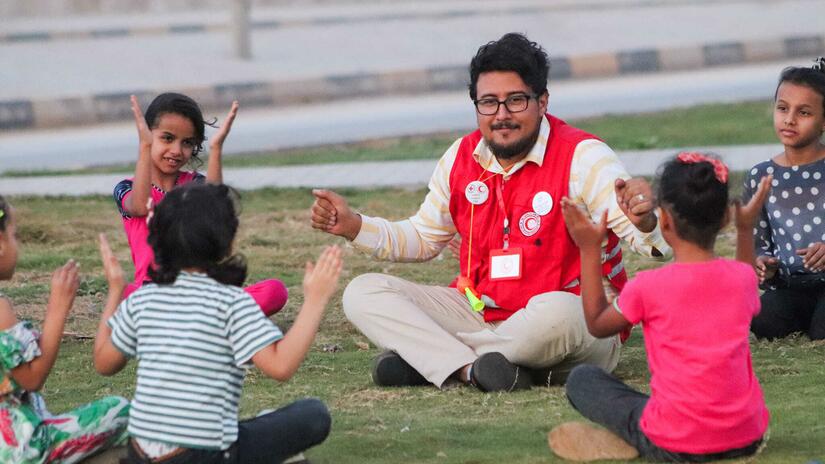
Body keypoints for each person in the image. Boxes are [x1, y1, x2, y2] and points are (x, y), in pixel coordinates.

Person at [310, 33, 670, 392]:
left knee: (556, 313)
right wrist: (355, 226)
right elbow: (422, 238)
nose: (501, 115)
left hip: (572, 320)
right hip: (480, 314)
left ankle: (432, 362)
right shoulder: (460, 156)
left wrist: (646, 221)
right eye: (489, 102)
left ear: (542, 102)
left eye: (515, 101)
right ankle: (478, 369)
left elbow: (653, 244)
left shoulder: (584, 156)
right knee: (363, 292)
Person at [94, 183, 342, 464]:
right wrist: (315, 300)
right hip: (203, 456)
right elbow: (281, 366)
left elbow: (104, 363)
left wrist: (116, 288)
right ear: (227, 242)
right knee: (313, 414)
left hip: (139, 455)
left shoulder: (143, 299)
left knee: (246, 428)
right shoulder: (231, 302)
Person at [551, 153, 771, 461]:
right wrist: (745, 229)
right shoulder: (741, 279)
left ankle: (631, 441)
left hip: (678, 443)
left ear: (664, 219)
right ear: (724, 219)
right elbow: (747, 274)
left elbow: (598, 324)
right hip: (746, 436)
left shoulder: (648, 287)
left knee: (583, 379)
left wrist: (589, 249)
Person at [113, 93, 288, 315]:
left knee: (274, 291)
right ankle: (209, 323)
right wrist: (145, 147)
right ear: (147, 135)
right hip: (154, 293)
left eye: (187, 143)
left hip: (202, 293)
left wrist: (216, 149)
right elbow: (139, 206)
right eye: (167, 138)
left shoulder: (194, 184)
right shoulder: (126, 188)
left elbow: (216, 209)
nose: (177, 150)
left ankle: (198, 321)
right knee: (121, 294)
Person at [0, 194, 129, 463]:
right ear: (0, 244)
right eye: (15, 235)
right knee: (120, 409)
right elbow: (32, 379)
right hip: (23, 448)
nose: (17, 243)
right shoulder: (0, 309)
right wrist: (59, 305)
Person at [747, 57, 825, 340]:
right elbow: (759, 245)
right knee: (763, 319)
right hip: (790, 286)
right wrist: (763, 265)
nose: (789, 119)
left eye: (804, 113)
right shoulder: (760, 176)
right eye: (783, 108)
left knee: (822, 331)